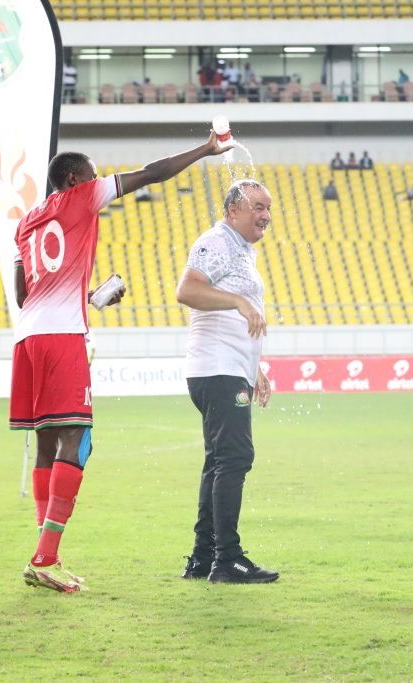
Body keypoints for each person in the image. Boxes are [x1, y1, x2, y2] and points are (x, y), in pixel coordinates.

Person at [14, 132, 233, 594]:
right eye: (92, 174)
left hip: (30, 339)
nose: (98, 182)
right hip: (61, 339)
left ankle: (44, 557)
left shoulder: (26, 222)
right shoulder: (82, 195)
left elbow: (24, 295)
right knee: (78, 440)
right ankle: (45, 557)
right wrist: (204, 149)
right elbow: (153, 173)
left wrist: (92, 297)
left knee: (48, 445)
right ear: (74, 179)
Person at [176, 179, 278, 585]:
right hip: (216, 369)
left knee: (218, 461)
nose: (266, 215)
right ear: (232, 210)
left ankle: (203, 558)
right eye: (257, 206)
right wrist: (238, 301)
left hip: (226, 368)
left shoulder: (242, 251)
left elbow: (233, 317)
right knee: (235, 459)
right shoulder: (217, 241)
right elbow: (187, 290)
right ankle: (227, 560)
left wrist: (254, 367)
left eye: (268, 207)